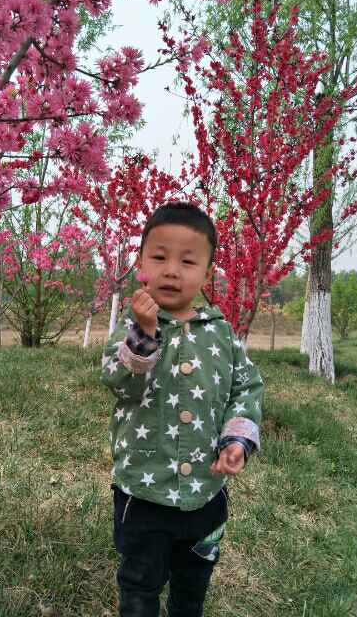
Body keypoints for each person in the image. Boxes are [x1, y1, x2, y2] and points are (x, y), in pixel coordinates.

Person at [101, 201, 263, 617]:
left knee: (192, 589)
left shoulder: (221, 333)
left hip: (206, 494)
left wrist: (237, 439)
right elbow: (119, 382)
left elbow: (246, 387)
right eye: (159, 258)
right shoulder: (130, 328)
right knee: (139, 585)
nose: (172, 271)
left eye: (188, 262)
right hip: (144, 491)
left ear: (207, 274)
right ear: (140, 264)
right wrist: (145, 334)